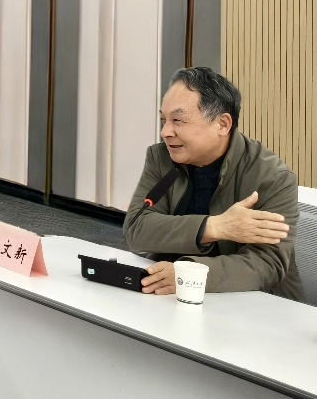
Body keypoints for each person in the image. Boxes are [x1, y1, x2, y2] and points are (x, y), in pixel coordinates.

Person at [123, 67, 302, 299]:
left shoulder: (271, 176)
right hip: (172, 296)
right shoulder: (161, 159)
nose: (165, 132)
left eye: (178, 120)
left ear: (222, 124)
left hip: (254, 306)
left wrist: (188, 275)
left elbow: (267, 264)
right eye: (163, 120)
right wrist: (214, 227)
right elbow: (136, 229)